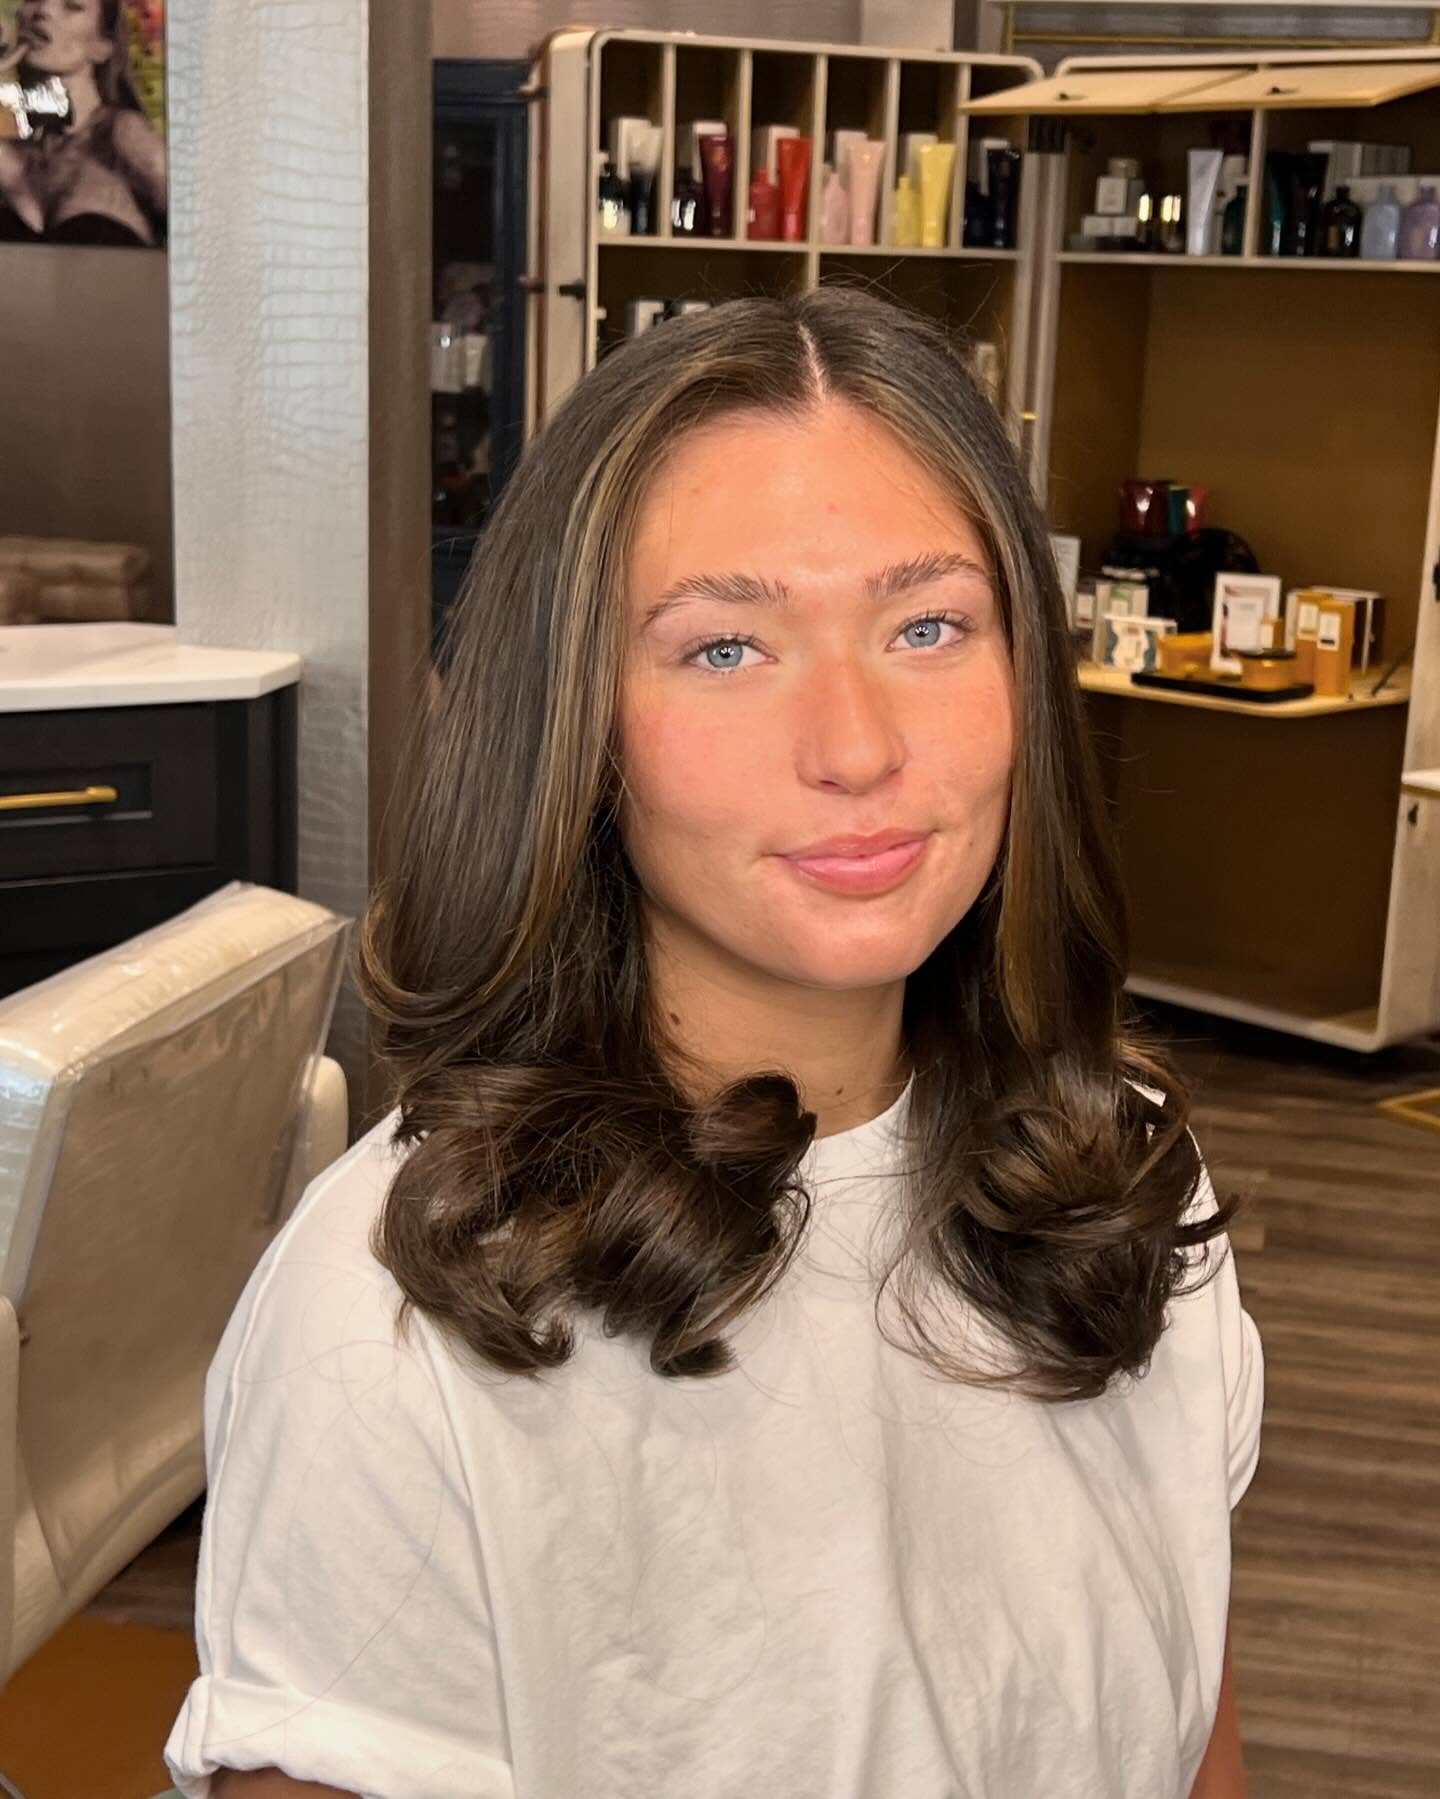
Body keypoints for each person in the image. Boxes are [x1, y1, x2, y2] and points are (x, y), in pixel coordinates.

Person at [163, 287, 1262, 1798]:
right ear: (574, 719)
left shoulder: (1121, 1173)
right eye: (728, 647)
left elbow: (1193, 1727)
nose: (859, 747)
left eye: (928, 625)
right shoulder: (396, 1322)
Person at [0, 0, 165, 245]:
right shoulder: (9, 158)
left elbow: (202, 219)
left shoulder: (122, 134)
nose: (43, 11)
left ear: (102, 47)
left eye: (72, 6)